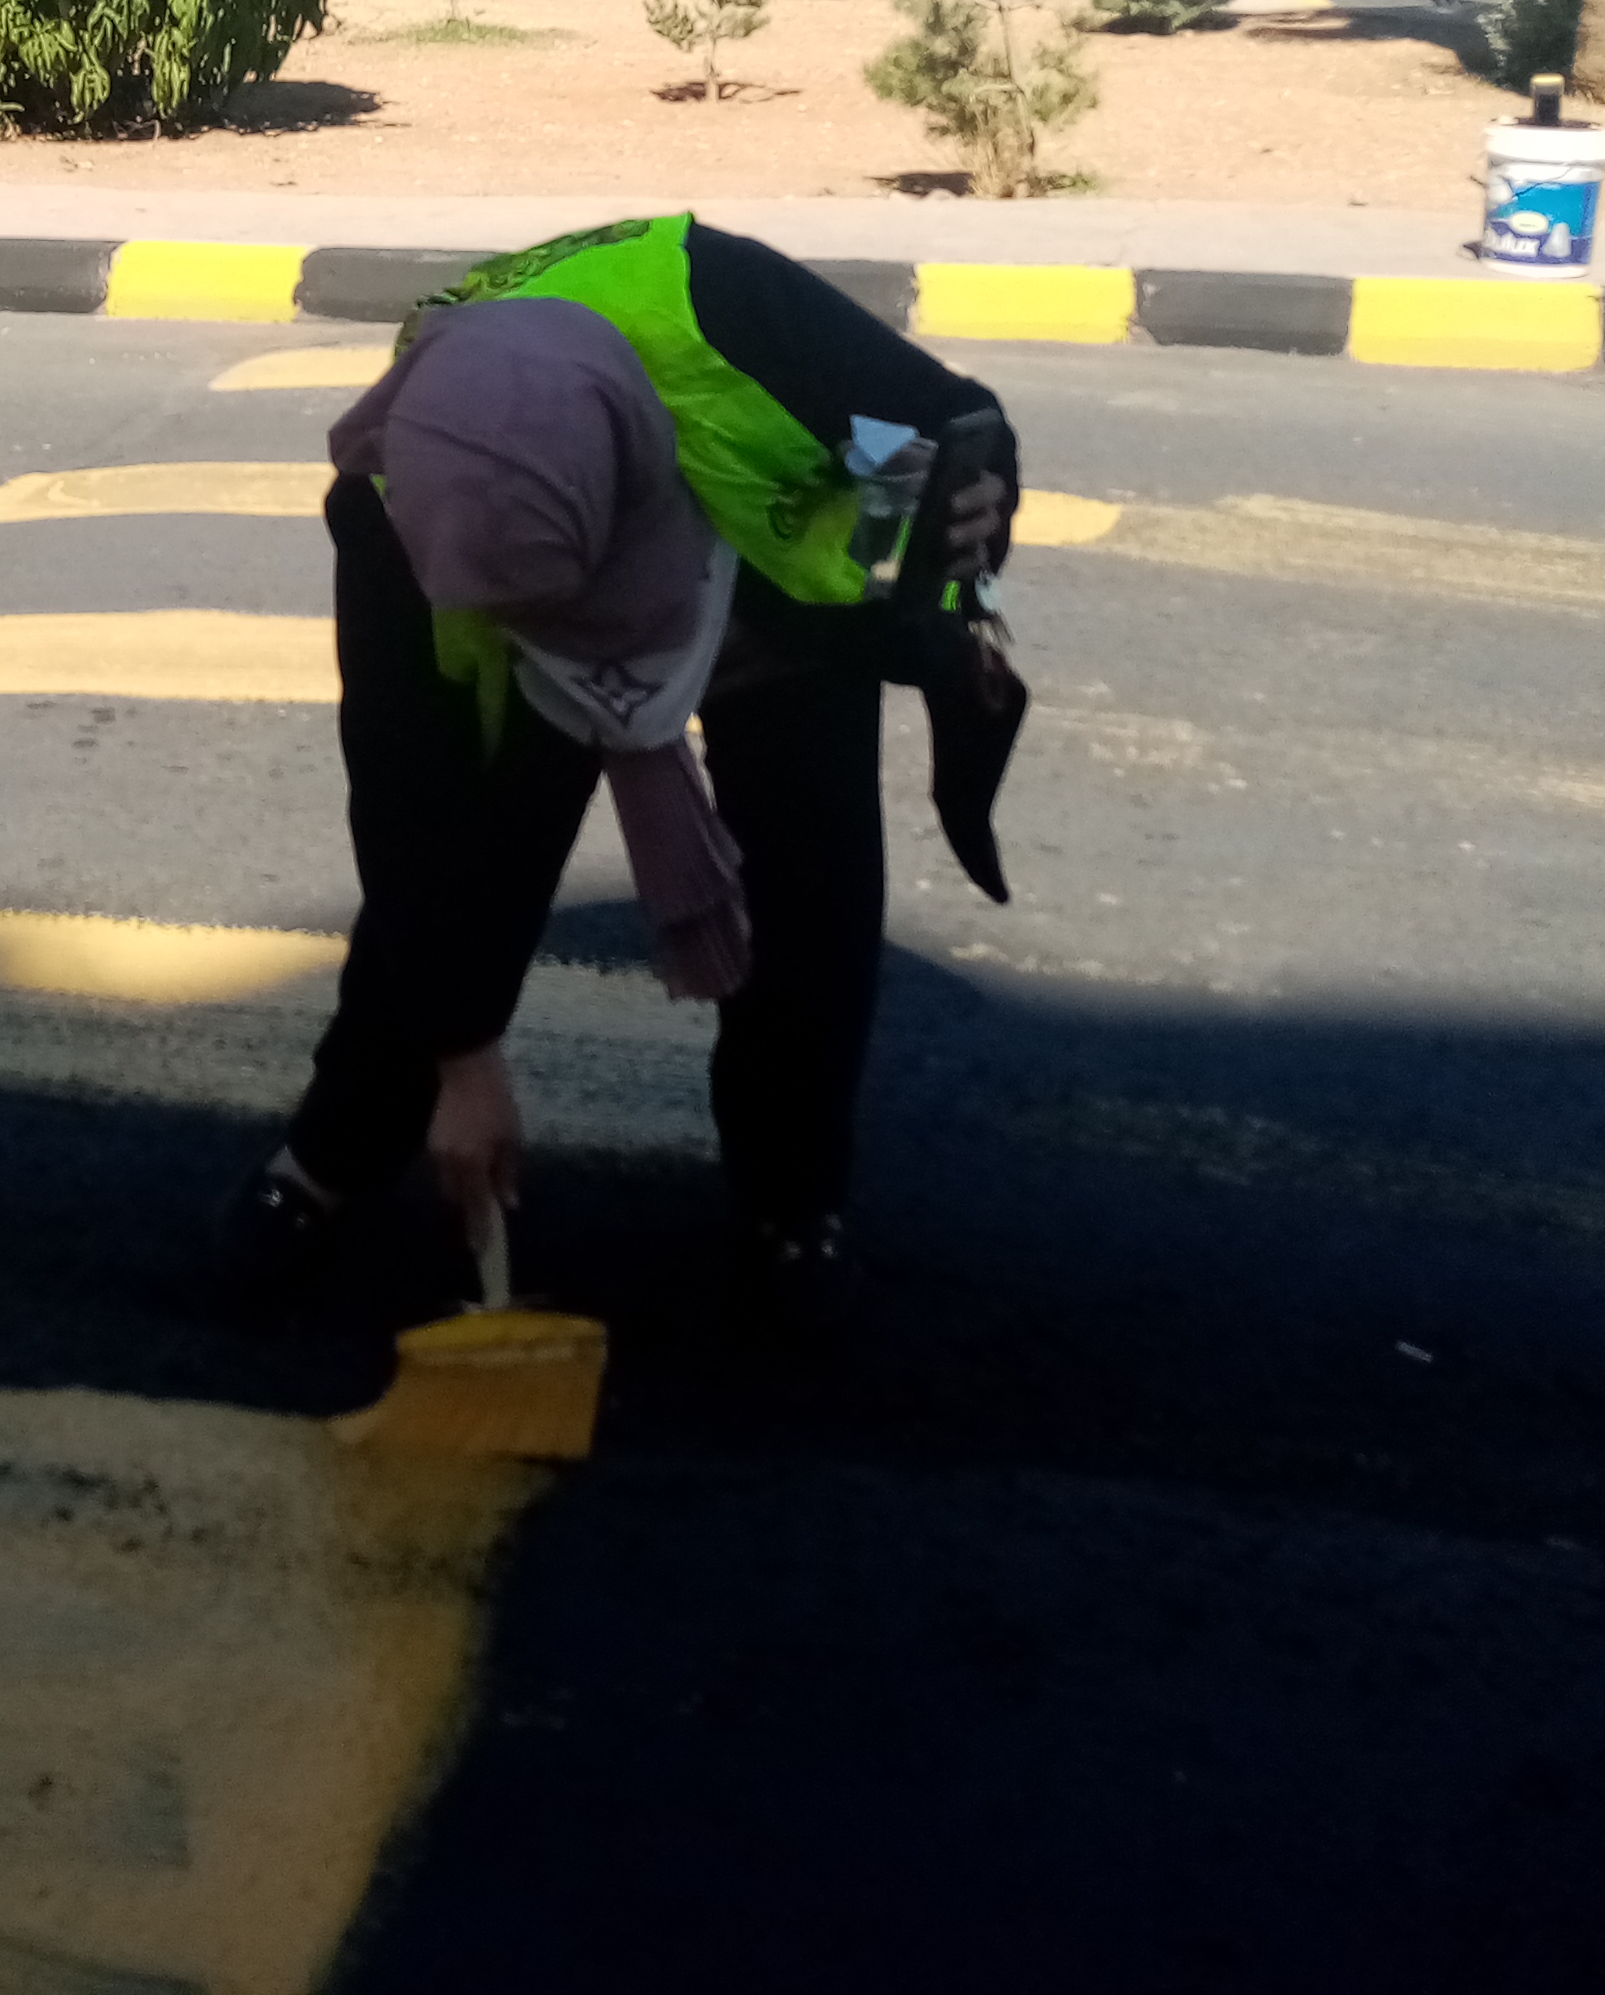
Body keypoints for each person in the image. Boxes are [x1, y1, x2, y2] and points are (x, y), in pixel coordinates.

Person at [214, 216, 1022, 1333]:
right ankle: (328, 1159)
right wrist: (463, 1058)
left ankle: (792, 1208)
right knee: (468, 873)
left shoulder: (728, 309)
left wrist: (965, 516)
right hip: (526, 624)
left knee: (810, 893)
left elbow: (959, 421)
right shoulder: (400, 503)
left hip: (772, 599)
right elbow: (408, 806)